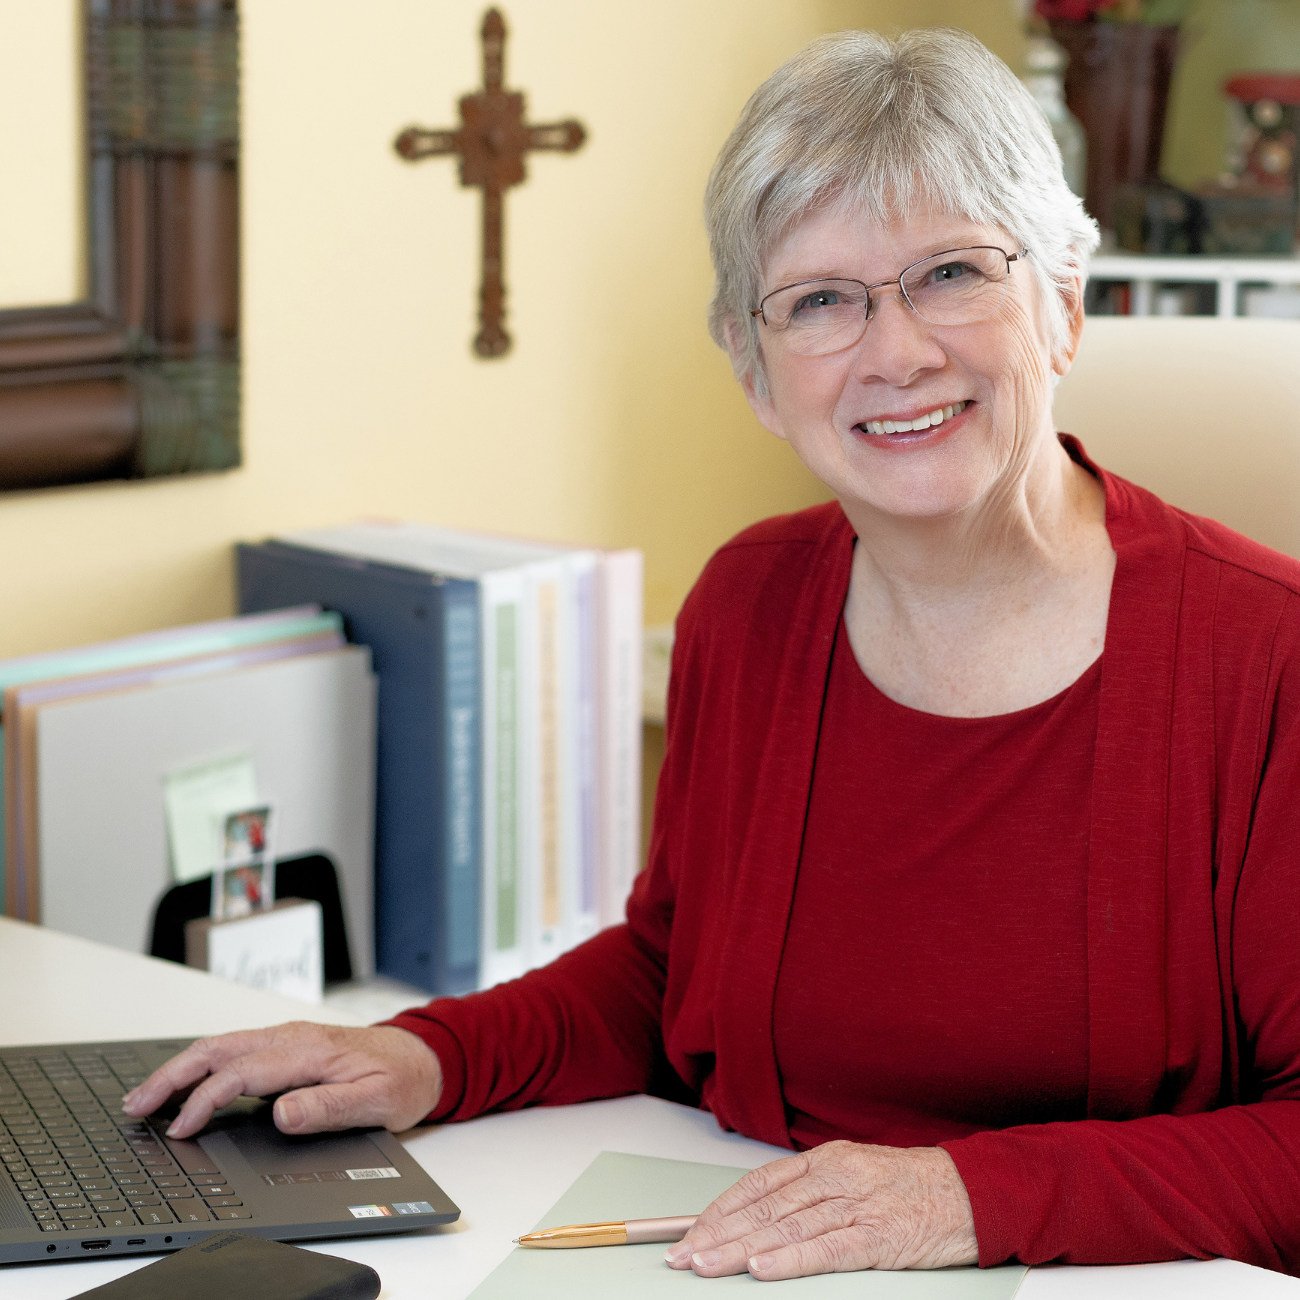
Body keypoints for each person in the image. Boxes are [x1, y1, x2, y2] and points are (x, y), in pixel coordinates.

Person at [123, 28, 1300, 1279]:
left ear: (1063, 303)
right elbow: (670, 976)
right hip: (738, 1250)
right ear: (752, 368)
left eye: (952, 272)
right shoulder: (748, 603)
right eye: (821, 301)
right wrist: (428, 1054)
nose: (895, 350)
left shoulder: (1264, 655)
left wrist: (964, 1197)